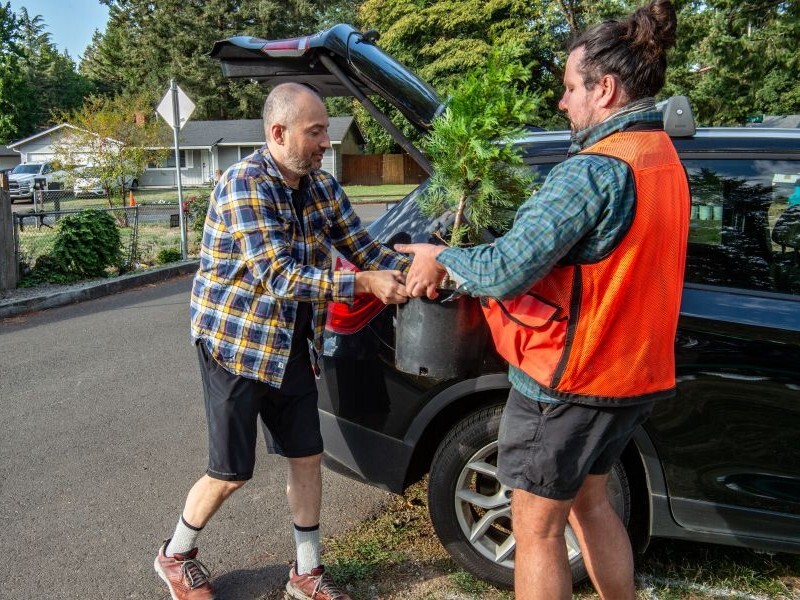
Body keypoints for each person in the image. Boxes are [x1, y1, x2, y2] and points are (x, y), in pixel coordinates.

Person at [396, 1, 688, 598]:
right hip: (633, 375)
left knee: (535, 527)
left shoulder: (594, 172)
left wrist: (441, 259)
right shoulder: (662, 157)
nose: (561, 102)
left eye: (570, 88)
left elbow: (506, 268)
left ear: (605, 90)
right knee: (590, 500)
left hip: (571, 380)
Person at [154, 82, 409, 600]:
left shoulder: (321, 186)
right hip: (236, 345)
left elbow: (363, 248)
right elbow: (280, 276)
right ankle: (175, 555)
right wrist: (363, 283)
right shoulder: (243, 184)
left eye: (325, 131)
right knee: (230, 472)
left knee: (307, 455)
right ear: (278, 133)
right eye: (315, 132)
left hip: (291, 343)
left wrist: (418, 267)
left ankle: (306, 572)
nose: (325, 142)